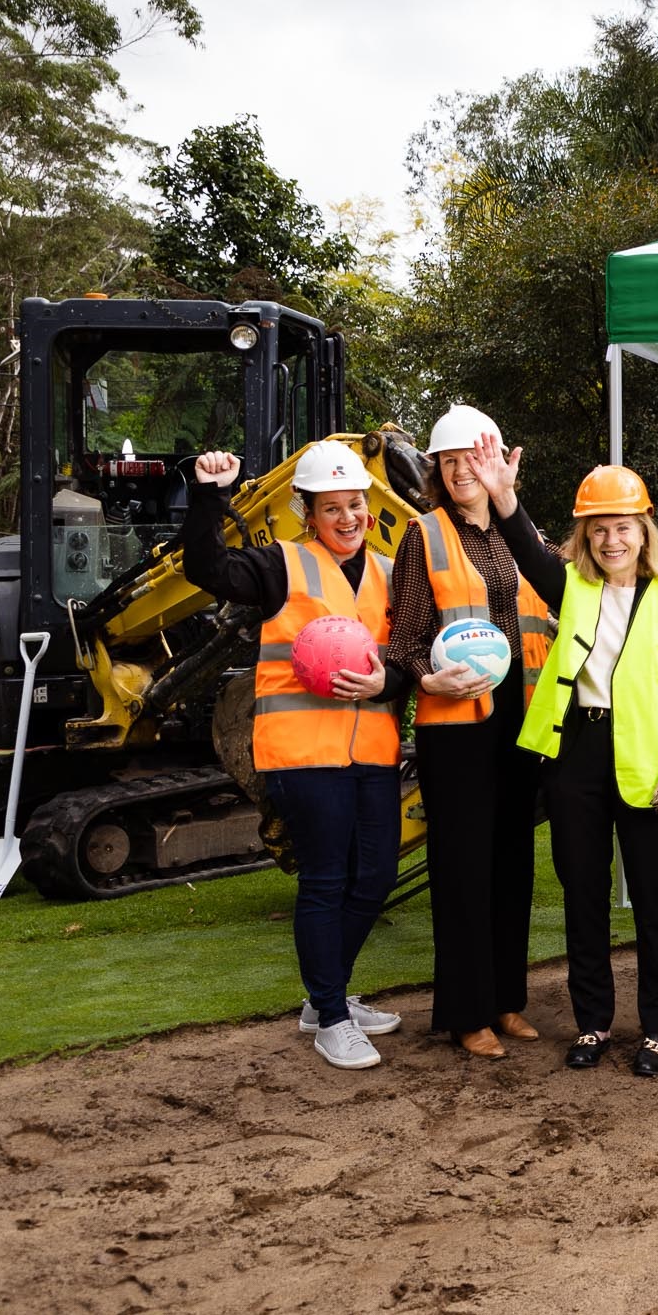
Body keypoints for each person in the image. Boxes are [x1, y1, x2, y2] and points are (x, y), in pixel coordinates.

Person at [470, 441, 658, 1076]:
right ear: (585, 535)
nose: (611, 540)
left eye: (622, 527)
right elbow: (525, 547)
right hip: (578, 755)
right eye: (598, 529)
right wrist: (503, 497)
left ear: (643, 530)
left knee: (656, 900)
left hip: (648, 759)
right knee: (584, 895)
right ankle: (594, 1024)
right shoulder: (568, 584)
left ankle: (656, 1030)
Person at [183, 441, 406, 1071]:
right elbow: (204, 566)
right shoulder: (279, 566)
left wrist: (388, 683)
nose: (347, 518)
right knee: (327, 880)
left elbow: (407, 659)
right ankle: (332, 1016)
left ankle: (324, 994)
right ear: (307, 512)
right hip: (302, 755)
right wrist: (209, 496)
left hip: (372, 751)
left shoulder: (391, 572)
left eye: (355, 505)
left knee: (375, 879)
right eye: (330, 508)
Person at [385, 403, 554, 1061]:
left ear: (495, 463)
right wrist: (428, 679)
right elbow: (402, 641)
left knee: (513, 860)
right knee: (461, 868)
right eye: (450, 461)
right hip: (455, 723)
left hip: (521, 715)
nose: (461, 471)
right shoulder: (423, 534)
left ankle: (507, 1000)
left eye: (472, 459)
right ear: (436, 470)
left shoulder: (521, 536)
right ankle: (465, 1012)